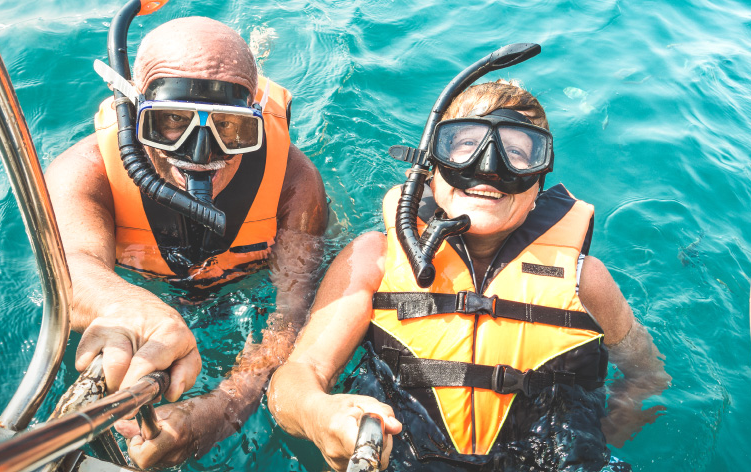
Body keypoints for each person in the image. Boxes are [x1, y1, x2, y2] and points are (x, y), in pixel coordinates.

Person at [268, 63, 670, 470]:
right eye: (465, 146)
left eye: (516, 153)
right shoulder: (373, 260)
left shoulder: (586, 281)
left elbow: (646, 375)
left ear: (538, 183)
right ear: (431, 166)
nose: (489, 168)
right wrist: (321, 416)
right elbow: (297, 377)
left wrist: (597, 442)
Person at [44, 15, 327, 469]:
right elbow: (69, 266)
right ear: (134, 112)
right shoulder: (85, 173)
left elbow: (291, 314)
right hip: (150, 291)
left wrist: (222, 410)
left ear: (255, 118)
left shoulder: (296, 183)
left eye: (229, 128)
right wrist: (125, 306)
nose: (201, 154)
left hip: (241, 287)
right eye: (171, 121)